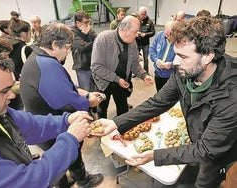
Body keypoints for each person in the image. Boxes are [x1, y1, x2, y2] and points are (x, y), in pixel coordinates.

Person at [96, 16, 237, 188]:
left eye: (183, 56)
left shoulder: (231, 95)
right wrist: (116, 123)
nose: (175, 62)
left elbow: (206, 150)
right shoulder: (186, 70)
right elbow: (158, 101)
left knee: (204, 182)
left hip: (219, 150)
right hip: (197, 138)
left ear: (207, 57)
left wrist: (156, 156)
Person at [0, 44, 94, 187]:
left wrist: (67, 120)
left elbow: (31, 124)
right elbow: (31, 182)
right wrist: (70, 139)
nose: (12, 95)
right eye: (3, 91)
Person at [20, 22, 104, 188]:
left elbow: (66, 87)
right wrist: (89, 101)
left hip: (43, 123)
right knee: (67, 154)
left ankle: (65, 181)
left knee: (60, 160)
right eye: (67, 47)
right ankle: (82, 180)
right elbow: (65, 102)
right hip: (52, 127)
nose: (68, 52)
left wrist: (85, 93)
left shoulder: (38, 57)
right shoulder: (47, 66)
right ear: (54, 44)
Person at [91, 15, 153, 119]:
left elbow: (134, 64)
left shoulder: (132, 42)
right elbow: (96, 67)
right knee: (102, 109)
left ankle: (121, 130)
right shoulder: (104, 39)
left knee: (123, 108)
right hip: (104, 83)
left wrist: (143, 75)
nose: (137, 34)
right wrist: (116, 79)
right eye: (135, 31)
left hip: (122, 82)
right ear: (125, 29)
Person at [7, 17, 33, 110]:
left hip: (14, 84)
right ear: (23, 33)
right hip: (26, 86)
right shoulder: (25, 49)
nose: (30, 35)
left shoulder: (8, 47)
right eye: (30, 32)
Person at [70, 10, 97, 91]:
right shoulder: (71, 32)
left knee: (96, 91)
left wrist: (89, 34)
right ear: (77, 23)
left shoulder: (88, 29)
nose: (88, 25)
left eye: (89, 22)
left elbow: (99, 41)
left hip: (93, 65)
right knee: (86, 92)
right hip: (82, 67)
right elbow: (83, 48)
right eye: (85, 22)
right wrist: (87, 35)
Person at [149, 20, 177, 91]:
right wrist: (156, 60)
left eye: (170, 35)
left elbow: (183, 61)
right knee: (159, 92)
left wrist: (171, 65)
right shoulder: (159, 35)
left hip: (171, 76)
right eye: (166, 34)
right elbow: (152, 50)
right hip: (158, 73)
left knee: (169, 96)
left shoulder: (180, 42)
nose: (167, 37)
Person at [136, 6, 155, 74]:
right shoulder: (135, 20)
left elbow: (153, 32)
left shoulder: (149, 21)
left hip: (145, 44)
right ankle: (137, 72)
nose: (143, 16)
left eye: (144, 14)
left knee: (146, 59)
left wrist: (146, 34)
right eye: (142, 14)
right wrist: (136, 33)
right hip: (137, 43)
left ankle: (146, 72)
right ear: (139, 13)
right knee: (136, 59)